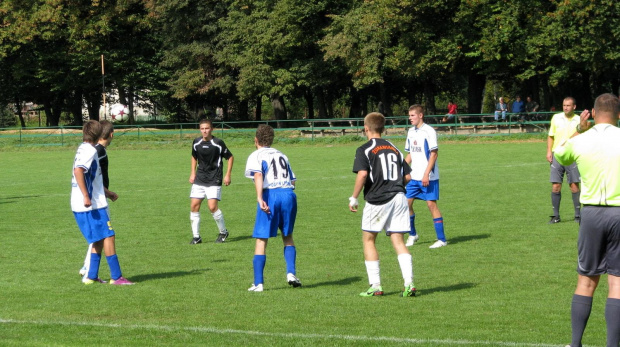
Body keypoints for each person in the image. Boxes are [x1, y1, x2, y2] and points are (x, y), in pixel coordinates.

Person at [553, 93, 620, 347]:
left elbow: (559, 155)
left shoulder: (582, 139)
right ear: (619, 115)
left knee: (586, 279)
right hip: (619, 212)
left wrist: (579, 130)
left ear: (591, 112)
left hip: (591, 213)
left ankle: (575, 343)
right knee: (617, 283)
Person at [349, 112, 415, 297]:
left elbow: (362, 174)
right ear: (383, 128)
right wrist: (396, 186)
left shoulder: (364, 149)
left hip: (377, 199)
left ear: (366, 128)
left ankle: (376, 285)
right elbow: (408, 176)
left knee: (369, 239)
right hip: (400, 197)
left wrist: (354, 197)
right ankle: (409, 283)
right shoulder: (395, 147)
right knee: (398, 241)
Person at [71, 120, 133, 285]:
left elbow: (92, 178)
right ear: (99, 134)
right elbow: (79, 171)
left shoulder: (83, 148)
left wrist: (107, 192)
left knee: (98, 239)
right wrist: (86, 195)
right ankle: (117, 277)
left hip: (92, 202)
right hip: (91, 205)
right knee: (109, 236)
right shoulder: (90, 151)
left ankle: (91, 277)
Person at [245, 124, 301, 292]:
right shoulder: (281, 154)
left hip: (271, 195)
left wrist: (260, 197)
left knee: (262, 239)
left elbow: (258, 174)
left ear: (256, 140)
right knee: (287, 235)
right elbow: (293, 181)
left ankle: (258, 283)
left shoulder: (256, 155)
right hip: (288, 194)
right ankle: (291, 273)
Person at [78, 120, 118, 283]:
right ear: (111, 134)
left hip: (98, 197)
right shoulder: (97, 151)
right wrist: (100, 193)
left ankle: (89, 272)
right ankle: (89, 270)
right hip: (96, 200)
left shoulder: (94, 149)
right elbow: (87, 174)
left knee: (100, 235)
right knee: (104, 235)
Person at [404, 105, 448, 249]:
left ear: (421, 115)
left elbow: (434, 154)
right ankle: (413, 234)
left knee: (431, 205)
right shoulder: (410, 132)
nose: (410, 118)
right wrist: (401, 168)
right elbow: (410, 153)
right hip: (413, 177)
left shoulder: (429, 131)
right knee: (406, 204)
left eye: (412, 115)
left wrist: (426, 174)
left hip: (428, 177)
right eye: (409, 116)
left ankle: (442, 240)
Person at [189, 119, 234, 244]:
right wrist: (192, 172)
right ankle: (196, 237)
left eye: (207, 128)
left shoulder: (218, 143)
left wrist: (228, 175)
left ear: (212, 129)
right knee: (194, 206)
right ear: (200, 129)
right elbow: (194, 156)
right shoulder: (196, 142)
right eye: (202, 128)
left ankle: (223, 232)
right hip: (200, 178)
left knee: (212, 207)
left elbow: (230, 157)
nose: (204, 131)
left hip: (215, 178)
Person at [546, 97, 581, 224]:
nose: (565, 107)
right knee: (556, 186)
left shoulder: (579, 119)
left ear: (574, 107)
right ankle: (556, 216)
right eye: (564, 105)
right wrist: (549, 151)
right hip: (557, 156)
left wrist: (569, 141)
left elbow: (583, 132)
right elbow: (551, 136)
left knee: (574, 186)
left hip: (573, 156)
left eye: (568, 105)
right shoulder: (556, 118)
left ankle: (578, 216)